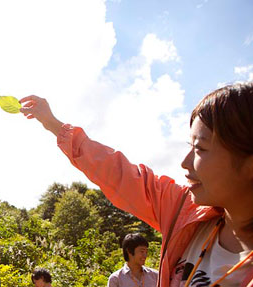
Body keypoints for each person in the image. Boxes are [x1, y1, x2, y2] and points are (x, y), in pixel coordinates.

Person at [19, 82, 253, 287]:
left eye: (200, 149)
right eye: (189, 147)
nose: (184, 162)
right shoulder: (184, 210)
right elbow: (116, 172)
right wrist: (52, 124)